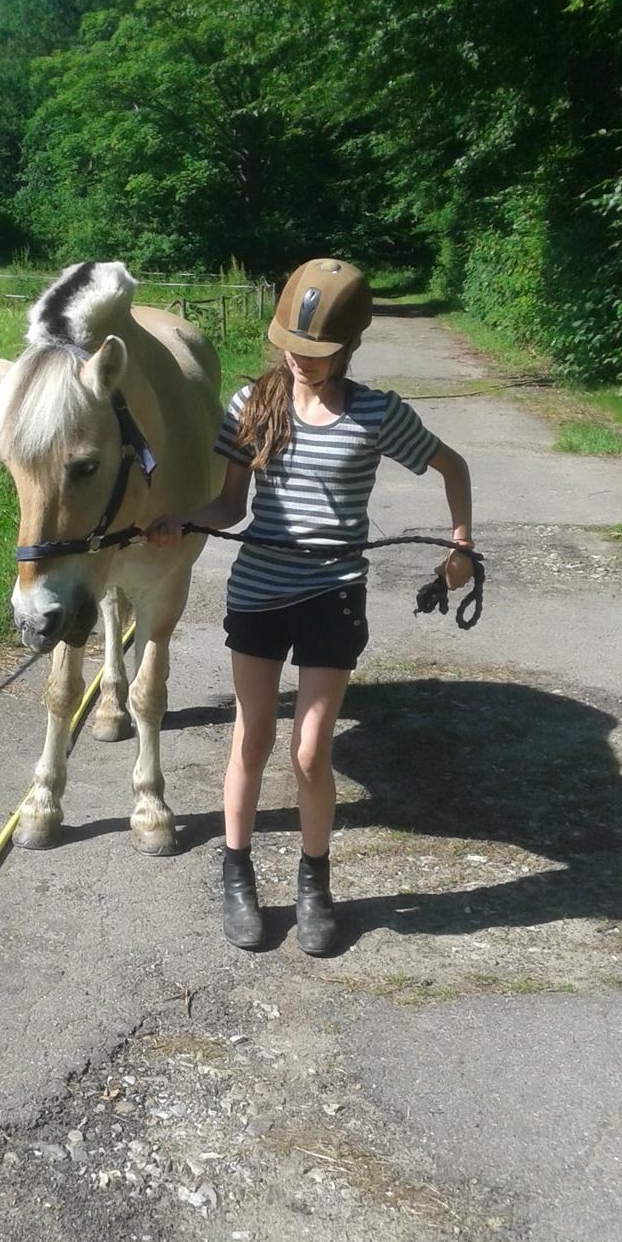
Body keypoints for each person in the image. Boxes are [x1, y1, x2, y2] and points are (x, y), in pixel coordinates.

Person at [146, 257, 474, 955]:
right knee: (253, 737)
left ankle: (313, 880)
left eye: (319, 353)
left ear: (352, 345)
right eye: (293, 348)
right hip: (259, 591)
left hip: (333, 594)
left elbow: (454, 466)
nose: (301, 362)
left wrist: (460, 546)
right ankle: (236, 875)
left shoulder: (379, 413)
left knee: (310, 750)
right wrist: (182, 517)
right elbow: (230, 503)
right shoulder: (251, 405)